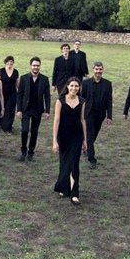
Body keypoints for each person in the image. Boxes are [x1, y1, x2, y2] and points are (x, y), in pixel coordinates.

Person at [53, 77, 87, 205]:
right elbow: (56, 120)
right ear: (67, 86)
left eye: (76, 86)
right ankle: (63, 186)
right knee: (65, 161)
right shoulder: (60, 101)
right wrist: (54, 141)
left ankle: (74, 193)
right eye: (71, 86)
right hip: (63, 135)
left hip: (76, 136)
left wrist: (85, 140)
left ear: (79, 88)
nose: (74, 88)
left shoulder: (82, 101)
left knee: (74, 162)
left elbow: (83, 120)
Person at [16, 57, 51, 162]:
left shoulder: (44, 79)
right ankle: (23, 151)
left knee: (34, 131)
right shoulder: (24, 78)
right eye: (34, 65)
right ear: (30, 66)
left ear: (40, 66)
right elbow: (20, 95)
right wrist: (19, 110)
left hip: (37, 109)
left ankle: (31, 152)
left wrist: (47, 111)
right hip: (25, 109)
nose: (36, 67)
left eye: (37, 65)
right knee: (24, 130)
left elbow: (47, 96)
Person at [80, 61, 113, 169]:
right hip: (88, 113)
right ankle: (91, 159)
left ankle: (86, 148)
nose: (98, 71)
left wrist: (109, 116)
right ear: (93, 70)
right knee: (90, 135)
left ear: (102, 70)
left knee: (93, 135)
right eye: (96, 69)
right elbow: (82, 99)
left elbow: (109, 100)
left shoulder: (108, 84)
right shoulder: (85, 84)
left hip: (100, 114)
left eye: (100, 69)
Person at [0, 56, 19, 135]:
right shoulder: (1, 71)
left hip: (12, 93)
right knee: (2, 108)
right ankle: (2, 123)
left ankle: (8, 128)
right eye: (8, 62)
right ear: (5, 62)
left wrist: (20, 91)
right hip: (3, 93)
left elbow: (17, 83)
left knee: (10, 110)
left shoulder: (16, 71)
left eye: (11, 62)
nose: (10, 63)